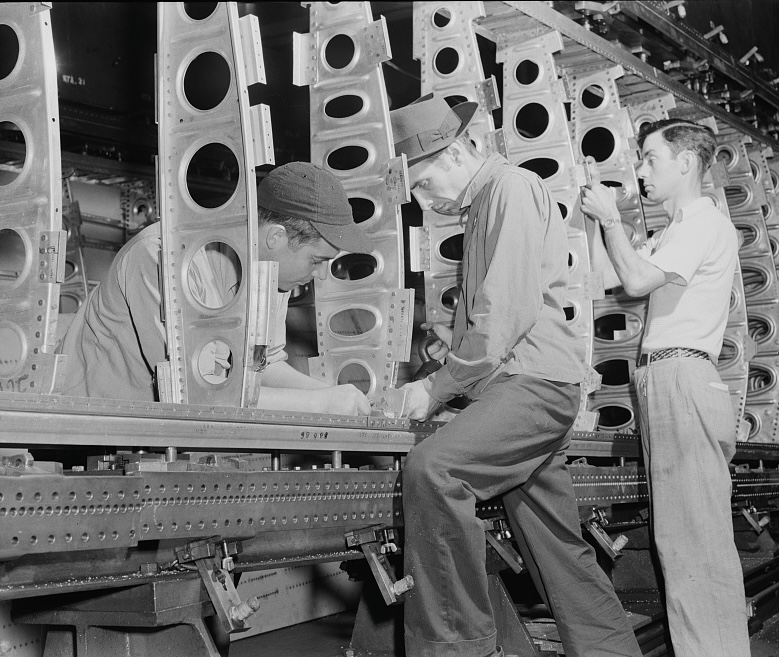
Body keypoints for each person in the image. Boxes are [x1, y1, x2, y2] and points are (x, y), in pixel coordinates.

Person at [393, 95, 641, 657]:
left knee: (433, 471)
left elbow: (504, 312)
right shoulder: (484, 204)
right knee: (556, 546)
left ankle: (458, 647)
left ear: (456, 153)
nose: (420, 196)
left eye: (424, 181)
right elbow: (489, 316)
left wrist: (433, 390)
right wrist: (447, 358)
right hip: (522, 386)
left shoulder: (513, 188)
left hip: (533, 388)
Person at [581, 119, 750, 657]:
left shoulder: (704, 225)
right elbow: (601, 278)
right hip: (662, 380)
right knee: (680, 543)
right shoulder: (673, 232)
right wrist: (595, 220)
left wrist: (612, 222)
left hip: (682, 377)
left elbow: (633, 282)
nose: (641, 170)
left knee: (696, 546)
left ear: (686, 163)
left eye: (650, 158)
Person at [59, 162, 373, 416]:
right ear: (275, 237)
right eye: (317, 260)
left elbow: (264, 365)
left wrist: (336, 396)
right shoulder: (164, 257)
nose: (321, 275)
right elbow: (196, 391)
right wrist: (320, 405)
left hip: (165, 437)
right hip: (92, 431)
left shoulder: (273, 276)